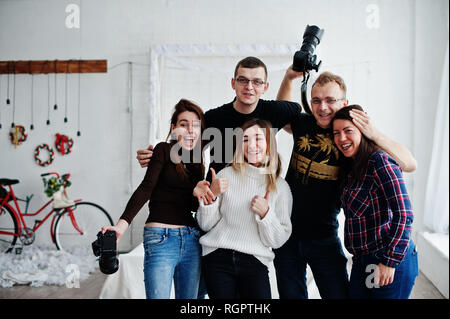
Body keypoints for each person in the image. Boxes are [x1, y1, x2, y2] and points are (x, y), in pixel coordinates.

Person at [273, 67, 417, 299]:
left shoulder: (354, 140)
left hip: (325, 236)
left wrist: (374, 133)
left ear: (345, 102)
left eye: (331, 100)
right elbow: (282, 113)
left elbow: (409, 164)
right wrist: (290, 77)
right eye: (316, 100)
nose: (322, 107)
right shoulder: (305, 123)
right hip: (287, 233)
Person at [101, 99, 205, 299]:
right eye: (184, 125)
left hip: (192, 240)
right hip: (161, 238)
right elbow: (146, 188)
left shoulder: (197, 161)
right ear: (173, 128)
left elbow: (191, 206)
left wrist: (199, 193)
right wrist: (121, 226)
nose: (190, 130)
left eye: (196, 126)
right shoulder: (162, 150)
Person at [195, 118, 293, 299]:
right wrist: (212, 197)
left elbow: (278, 240)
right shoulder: (225, 175)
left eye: (258, 138)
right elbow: (205, 224)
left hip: (255, 262)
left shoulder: (280, 187)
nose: (251, 145)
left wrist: (266, 215)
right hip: (218, 258)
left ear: (269, 143)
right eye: (245, 140)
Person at [332, 105, 418, 299]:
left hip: (386, 256)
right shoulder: (350, 168)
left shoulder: (380, 161)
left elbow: (404, 214)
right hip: (363, 261)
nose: (342, 138)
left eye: (348, 131)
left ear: (362, 131)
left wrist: (389, 261)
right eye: (336, 133)